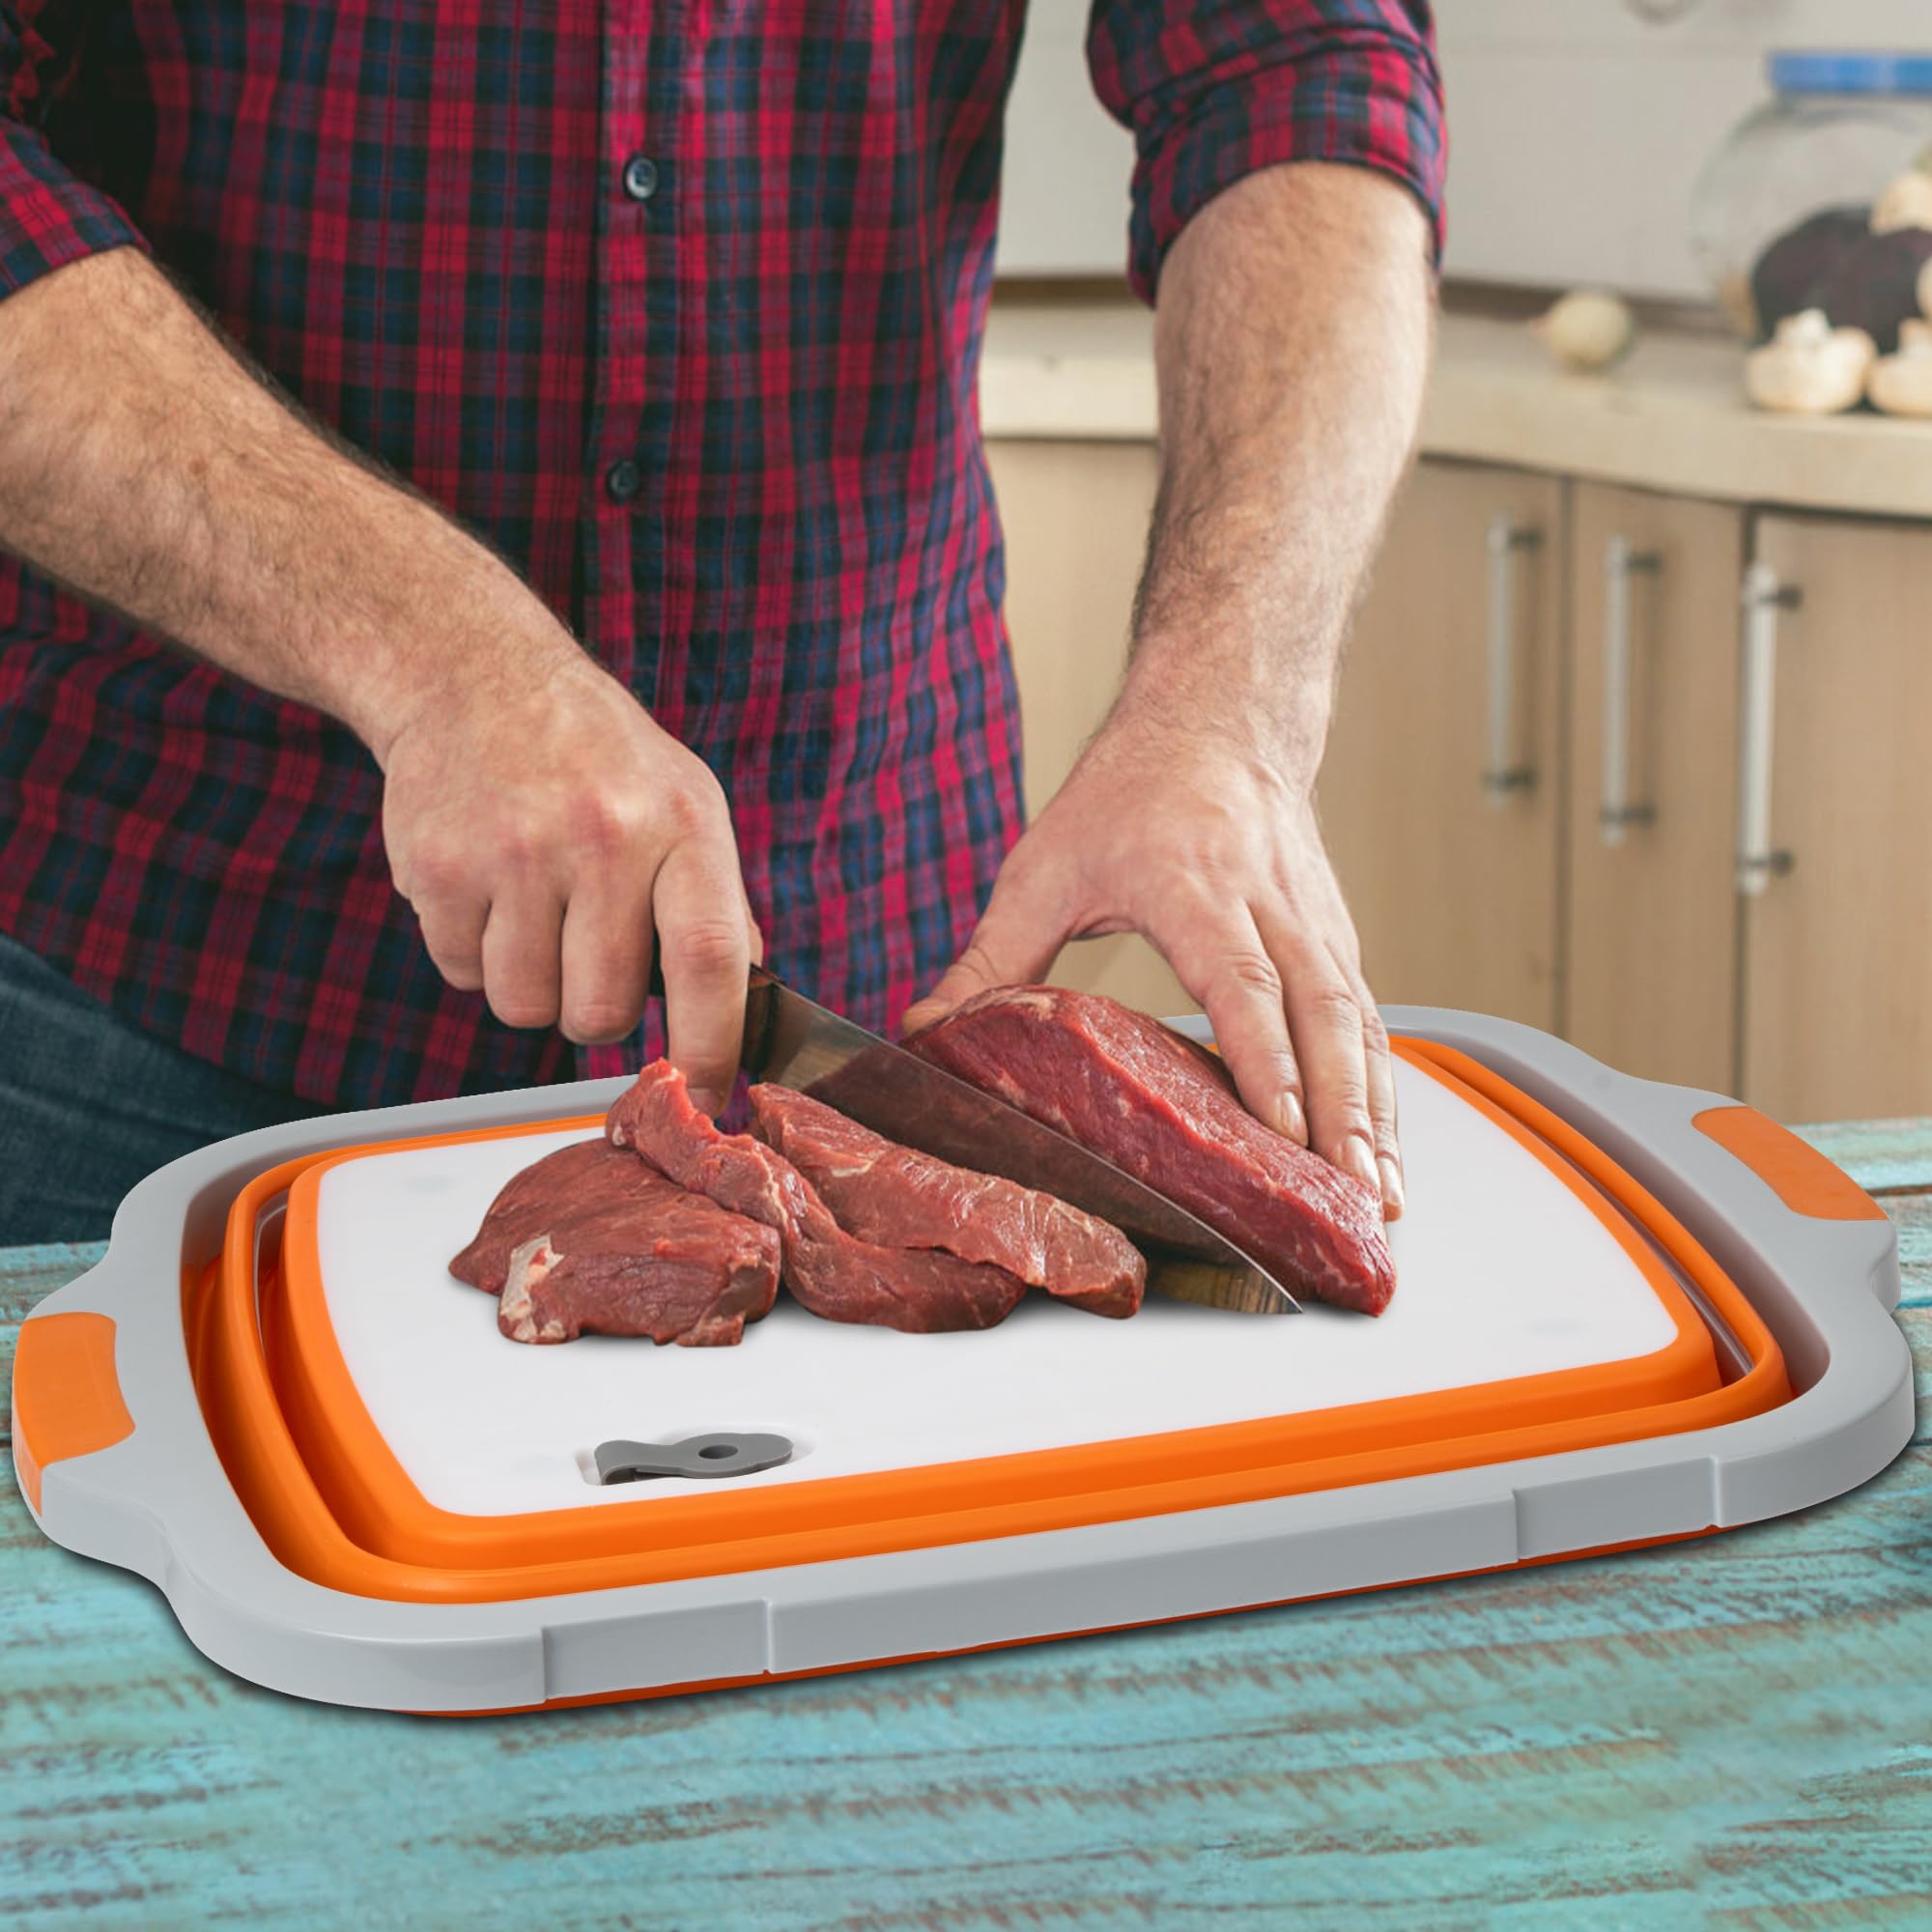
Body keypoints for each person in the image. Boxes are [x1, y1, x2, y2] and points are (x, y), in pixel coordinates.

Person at [0, 3, 1443, 1244]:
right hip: (165, 959)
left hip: (873, 982)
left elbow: (1297, 65)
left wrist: (1227, 709)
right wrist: (429, 652)